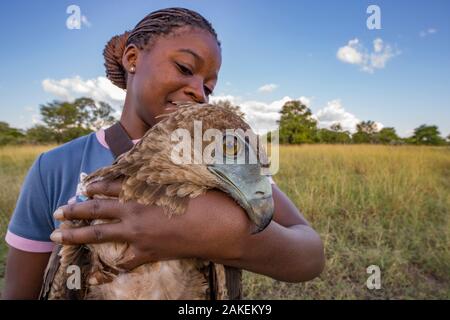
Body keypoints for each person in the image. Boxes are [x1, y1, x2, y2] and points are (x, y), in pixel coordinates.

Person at [2, 7, 325, 299]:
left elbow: (309, 258)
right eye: (185, 68)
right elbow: (21, 291)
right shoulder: (55, 165)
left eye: (209, 87)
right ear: (132, 58)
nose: (198, 92)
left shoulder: (221, 166)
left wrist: (221, 232)